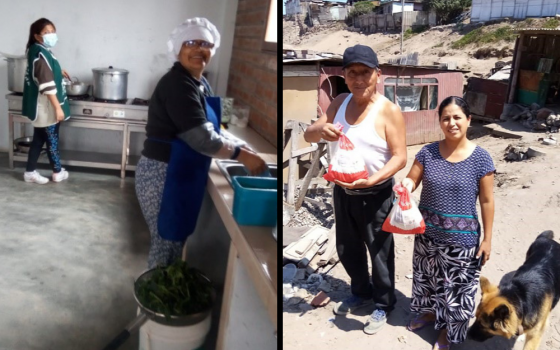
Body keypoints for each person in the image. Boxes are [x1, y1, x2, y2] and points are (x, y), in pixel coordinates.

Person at [135, 17, 267, 269]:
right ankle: (153, 304)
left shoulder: (199, 83)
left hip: (179, 172)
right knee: (165, 247)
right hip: (162, 175)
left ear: (213, 50)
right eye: (191, 42)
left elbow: (212, 128)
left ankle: (163, 298)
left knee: (172, 244)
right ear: (178, 49)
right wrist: (242, 155)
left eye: (205, 43)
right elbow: (201, 138)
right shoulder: (178, 84)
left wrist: (241, 145)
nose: (198, 49)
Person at [304, 44, 407, 335]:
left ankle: (384, 303)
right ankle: (360, 293)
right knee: (347, 248)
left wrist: (373, 181)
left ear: (378, 74)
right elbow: (308, 134)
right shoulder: (339, 102)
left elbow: (400, 157)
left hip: (376, 194)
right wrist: (320, 131)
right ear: (344, 75)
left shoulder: (389, 111)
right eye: (352, 73)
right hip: (343, 192)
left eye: (365, 72)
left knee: (380, 252)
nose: (359, 79)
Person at [401, 96, 495, 350]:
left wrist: (486, 239)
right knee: (429, 280)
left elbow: (487, 201)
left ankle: (447, 333)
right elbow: (412, 178)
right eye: (445, 118)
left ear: (468, 120)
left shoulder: (481, 159)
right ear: (439, 122)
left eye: (457, 117)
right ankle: (431, 314)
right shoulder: (428, 152)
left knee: (457, 291)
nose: (451, 123)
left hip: (462, 241)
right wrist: (406, 185)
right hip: (427, 235)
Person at [22, 18, 71, 184]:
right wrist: (58, 108)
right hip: (47, 106)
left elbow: (47, 71)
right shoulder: (40, 53)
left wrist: (59, 70)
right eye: (46, 32)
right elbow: (46, 83)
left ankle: (30, 172)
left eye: (52, 31)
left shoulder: (40, 50)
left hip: (42, 106)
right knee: (52, 140)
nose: (51, 35)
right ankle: (57, 172)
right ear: (37, 36)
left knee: (38, 140)